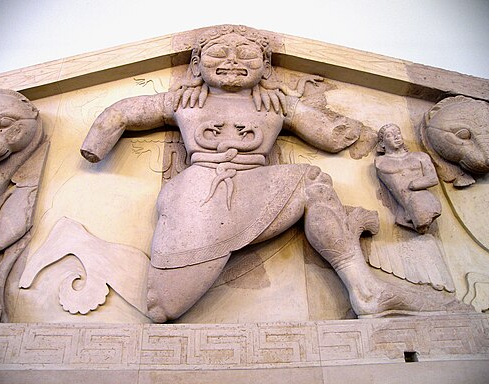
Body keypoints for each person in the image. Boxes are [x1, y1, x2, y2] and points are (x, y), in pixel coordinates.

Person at [81, 25, 466, 322]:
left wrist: (298, 104)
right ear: (197, 65)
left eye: (245, 53)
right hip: (199, 194)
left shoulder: (276, 104)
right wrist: (96, 143)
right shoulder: (183, 100)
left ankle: (366, 291)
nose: (232, 58)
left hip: (256, 187)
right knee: (164, 307)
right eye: (218, 53)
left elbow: (331, 136)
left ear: (265, 66)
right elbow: (122, 112)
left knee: (312, 181)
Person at [375, 123, 441, 233]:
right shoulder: (380, 162)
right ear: (382, 143)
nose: (396, 137)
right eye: (390, 135)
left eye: (398, 133)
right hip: (406, 207)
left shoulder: (420, 156)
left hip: (425, 200)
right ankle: (412, 216)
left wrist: (415, 184)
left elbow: (433, 178)